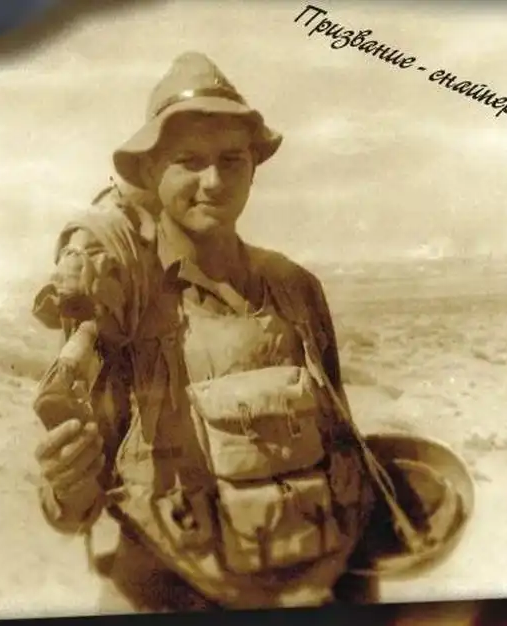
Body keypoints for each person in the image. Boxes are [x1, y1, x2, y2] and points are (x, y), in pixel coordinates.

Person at [30, 51, 471, 613]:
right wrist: (67, 479)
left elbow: (337, 454)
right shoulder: (125, 303)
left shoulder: (295, 288)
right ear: (150, 171)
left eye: (231, 160)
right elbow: (75, 509)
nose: (213, 181)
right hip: (163, 596)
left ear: (254, 167)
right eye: (189, 161)